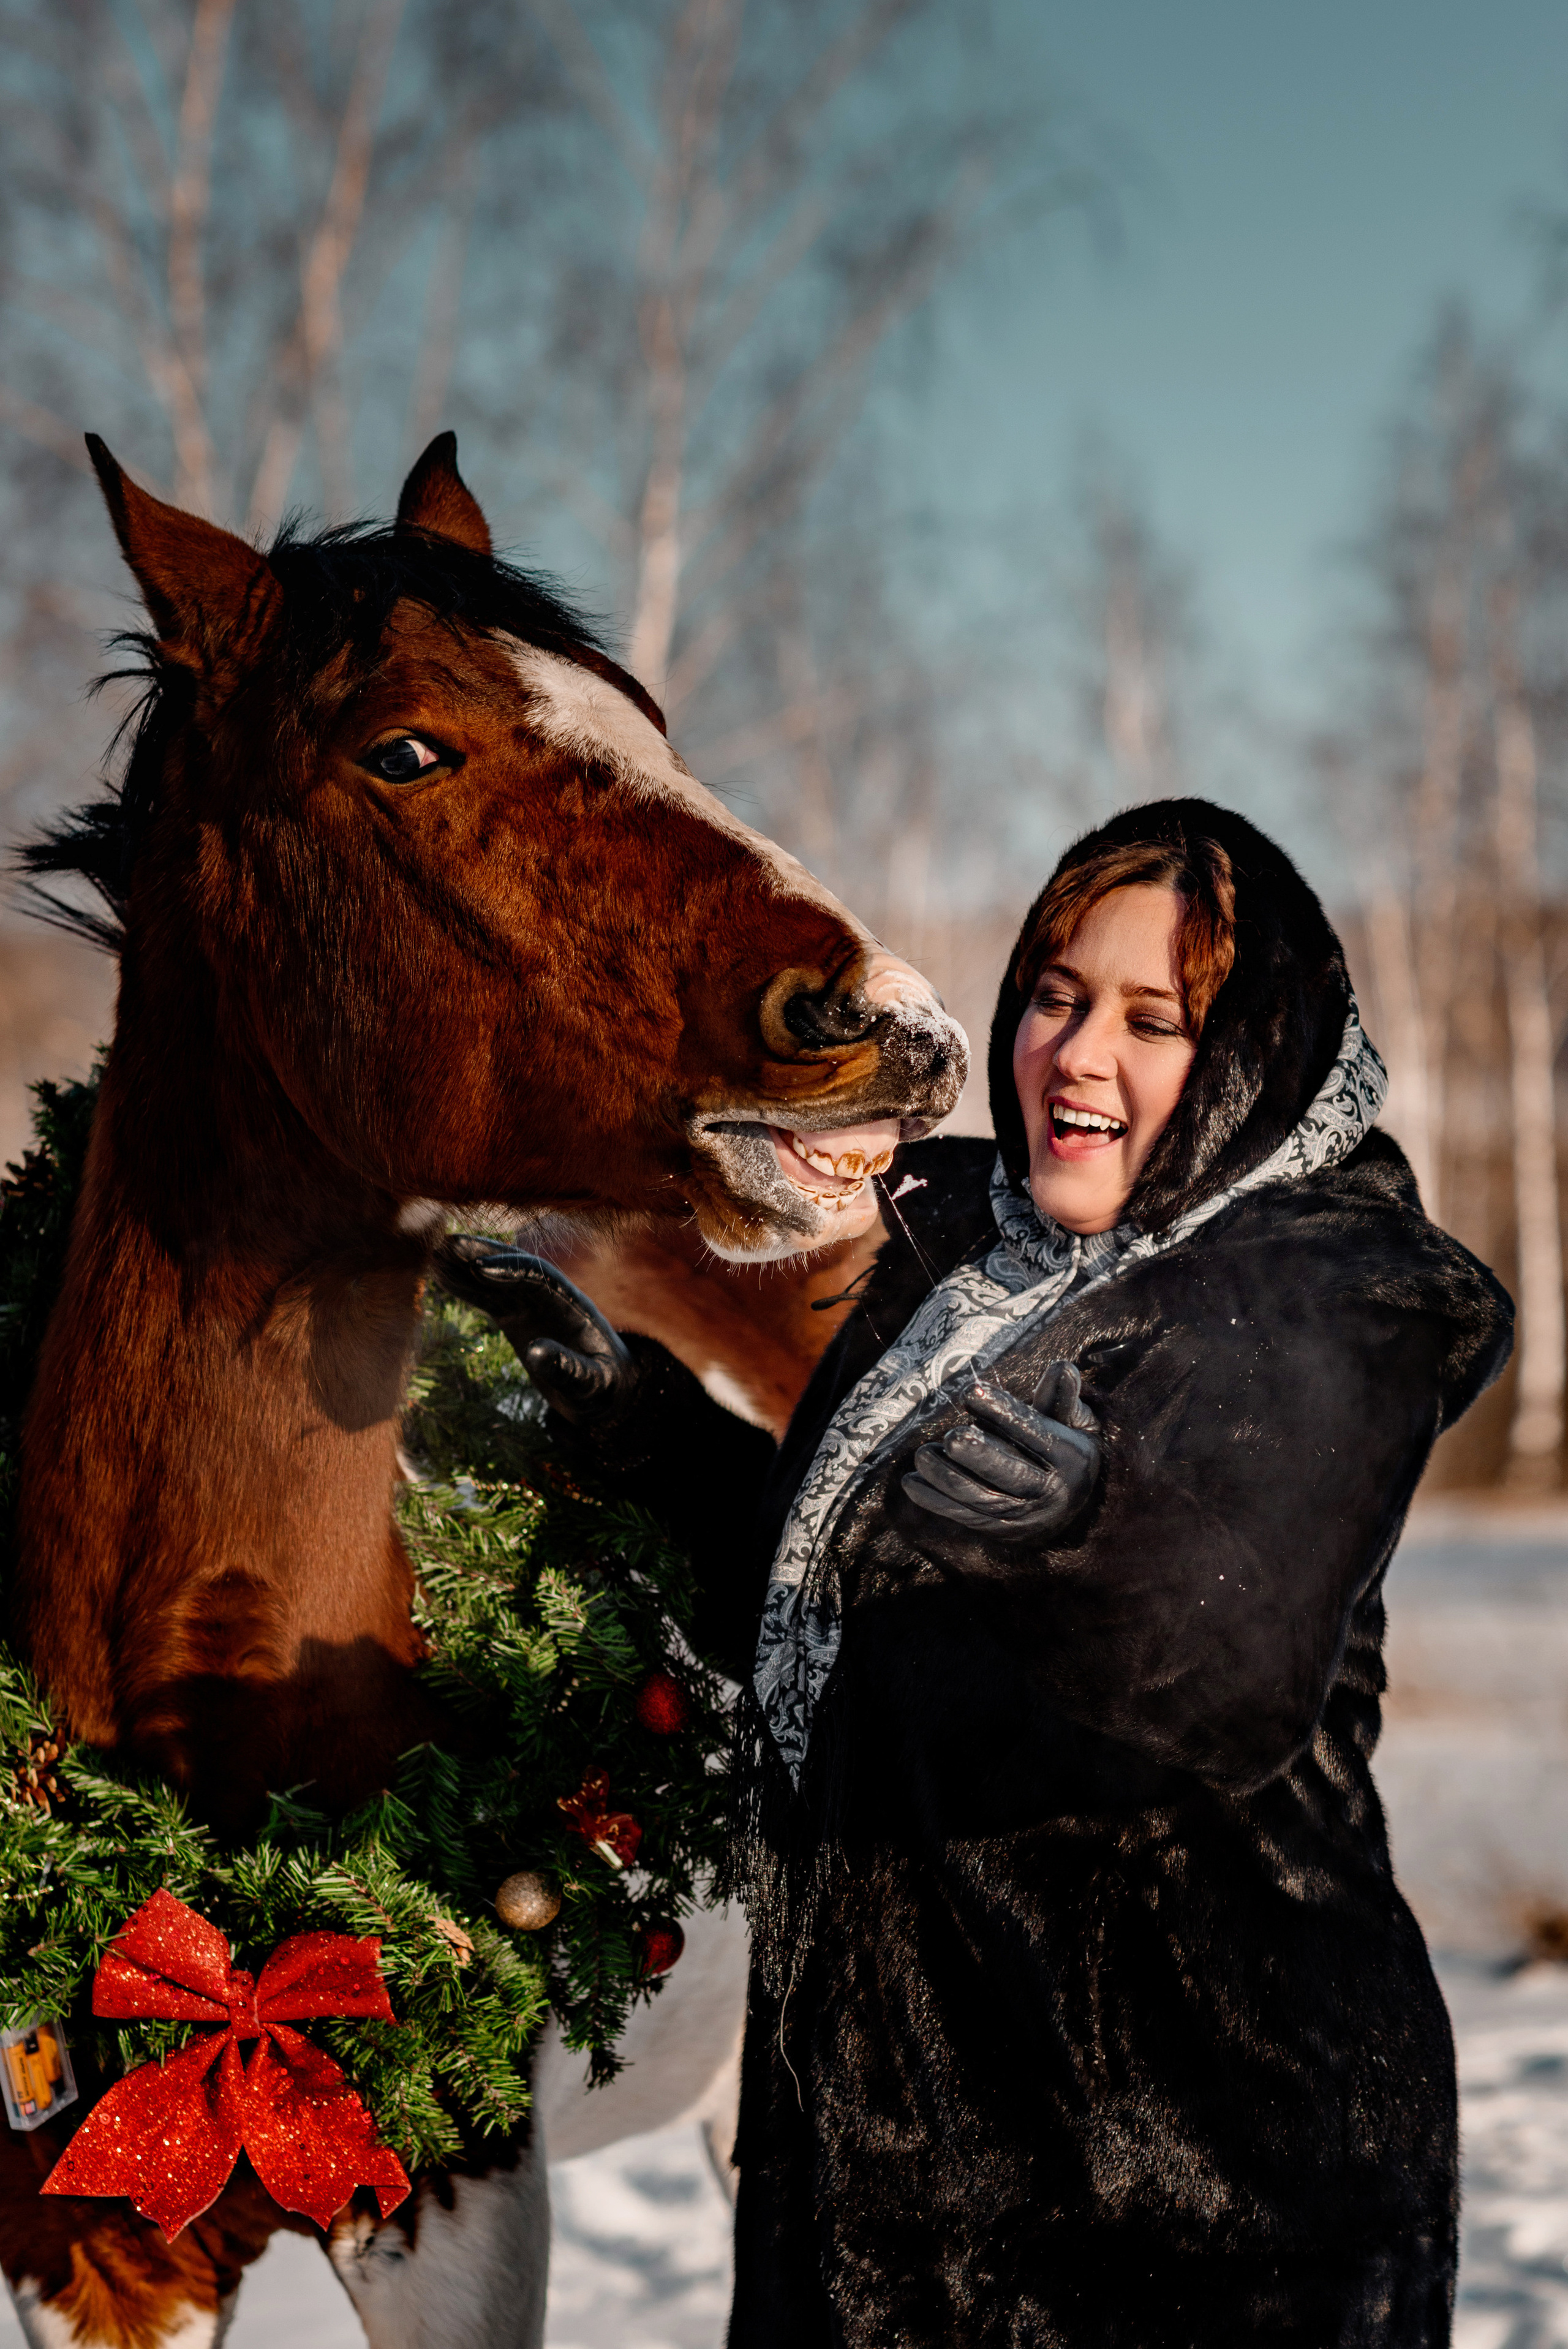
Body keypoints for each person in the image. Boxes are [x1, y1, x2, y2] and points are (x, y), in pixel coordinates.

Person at [442, 800, 1512, 2347]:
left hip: (1188, 2201)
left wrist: (1090, 1533)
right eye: (1056, 994)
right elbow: (834, 1609)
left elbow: (1229, 1683)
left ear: (1251, 1060)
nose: (1077, 1053)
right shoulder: (965, 1262)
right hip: (886, 2156)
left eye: (1154, 1019)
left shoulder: (1329, 1291)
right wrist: (633, 1420)